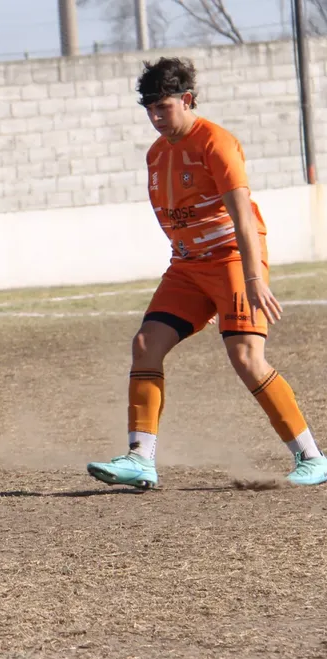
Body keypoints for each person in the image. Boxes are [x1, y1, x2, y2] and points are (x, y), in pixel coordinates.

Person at [86, 57, 327, 489]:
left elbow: (242, 217)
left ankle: (312, 457)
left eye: (165, 107)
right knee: (145, 344)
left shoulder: (217, 143)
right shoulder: (156, 154)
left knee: (247, 359)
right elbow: (174, 218)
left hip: (233, 260)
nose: (157, 117)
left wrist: (252, 280)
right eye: (150, 109)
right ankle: (141, 459)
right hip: (187, 268)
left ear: (188, 99)